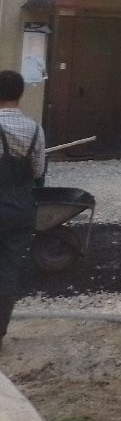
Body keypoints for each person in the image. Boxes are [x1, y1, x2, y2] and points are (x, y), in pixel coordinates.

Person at [0, 70, 45, 349]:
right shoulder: (35, 129)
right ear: (20, 94)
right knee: (8, 270)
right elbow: (38, 170)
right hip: (19, 207)